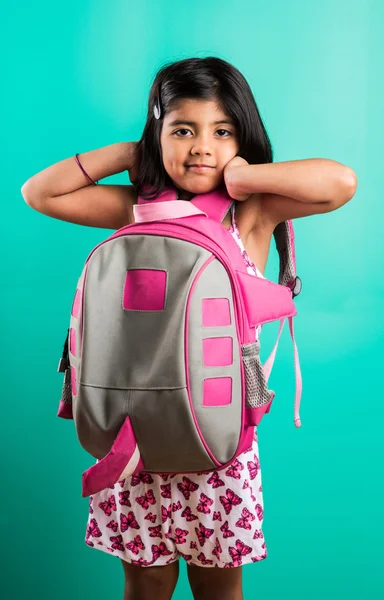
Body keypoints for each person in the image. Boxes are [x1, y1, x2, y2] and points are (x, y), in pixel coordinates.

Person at [21, 56, 357, 600]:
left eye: (221, 131)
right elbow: (40, 193)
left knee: (218, 588)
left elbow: (340, 183)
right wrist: (134, 153)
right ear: (159, 133)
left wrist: (244, 176)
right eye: (182, 130)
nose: (202, 146)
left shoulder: (250, 213)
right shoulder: (137, 207)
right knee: (146, 584)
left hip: (218, 441)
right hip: (135, 443)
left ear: (241, 135)